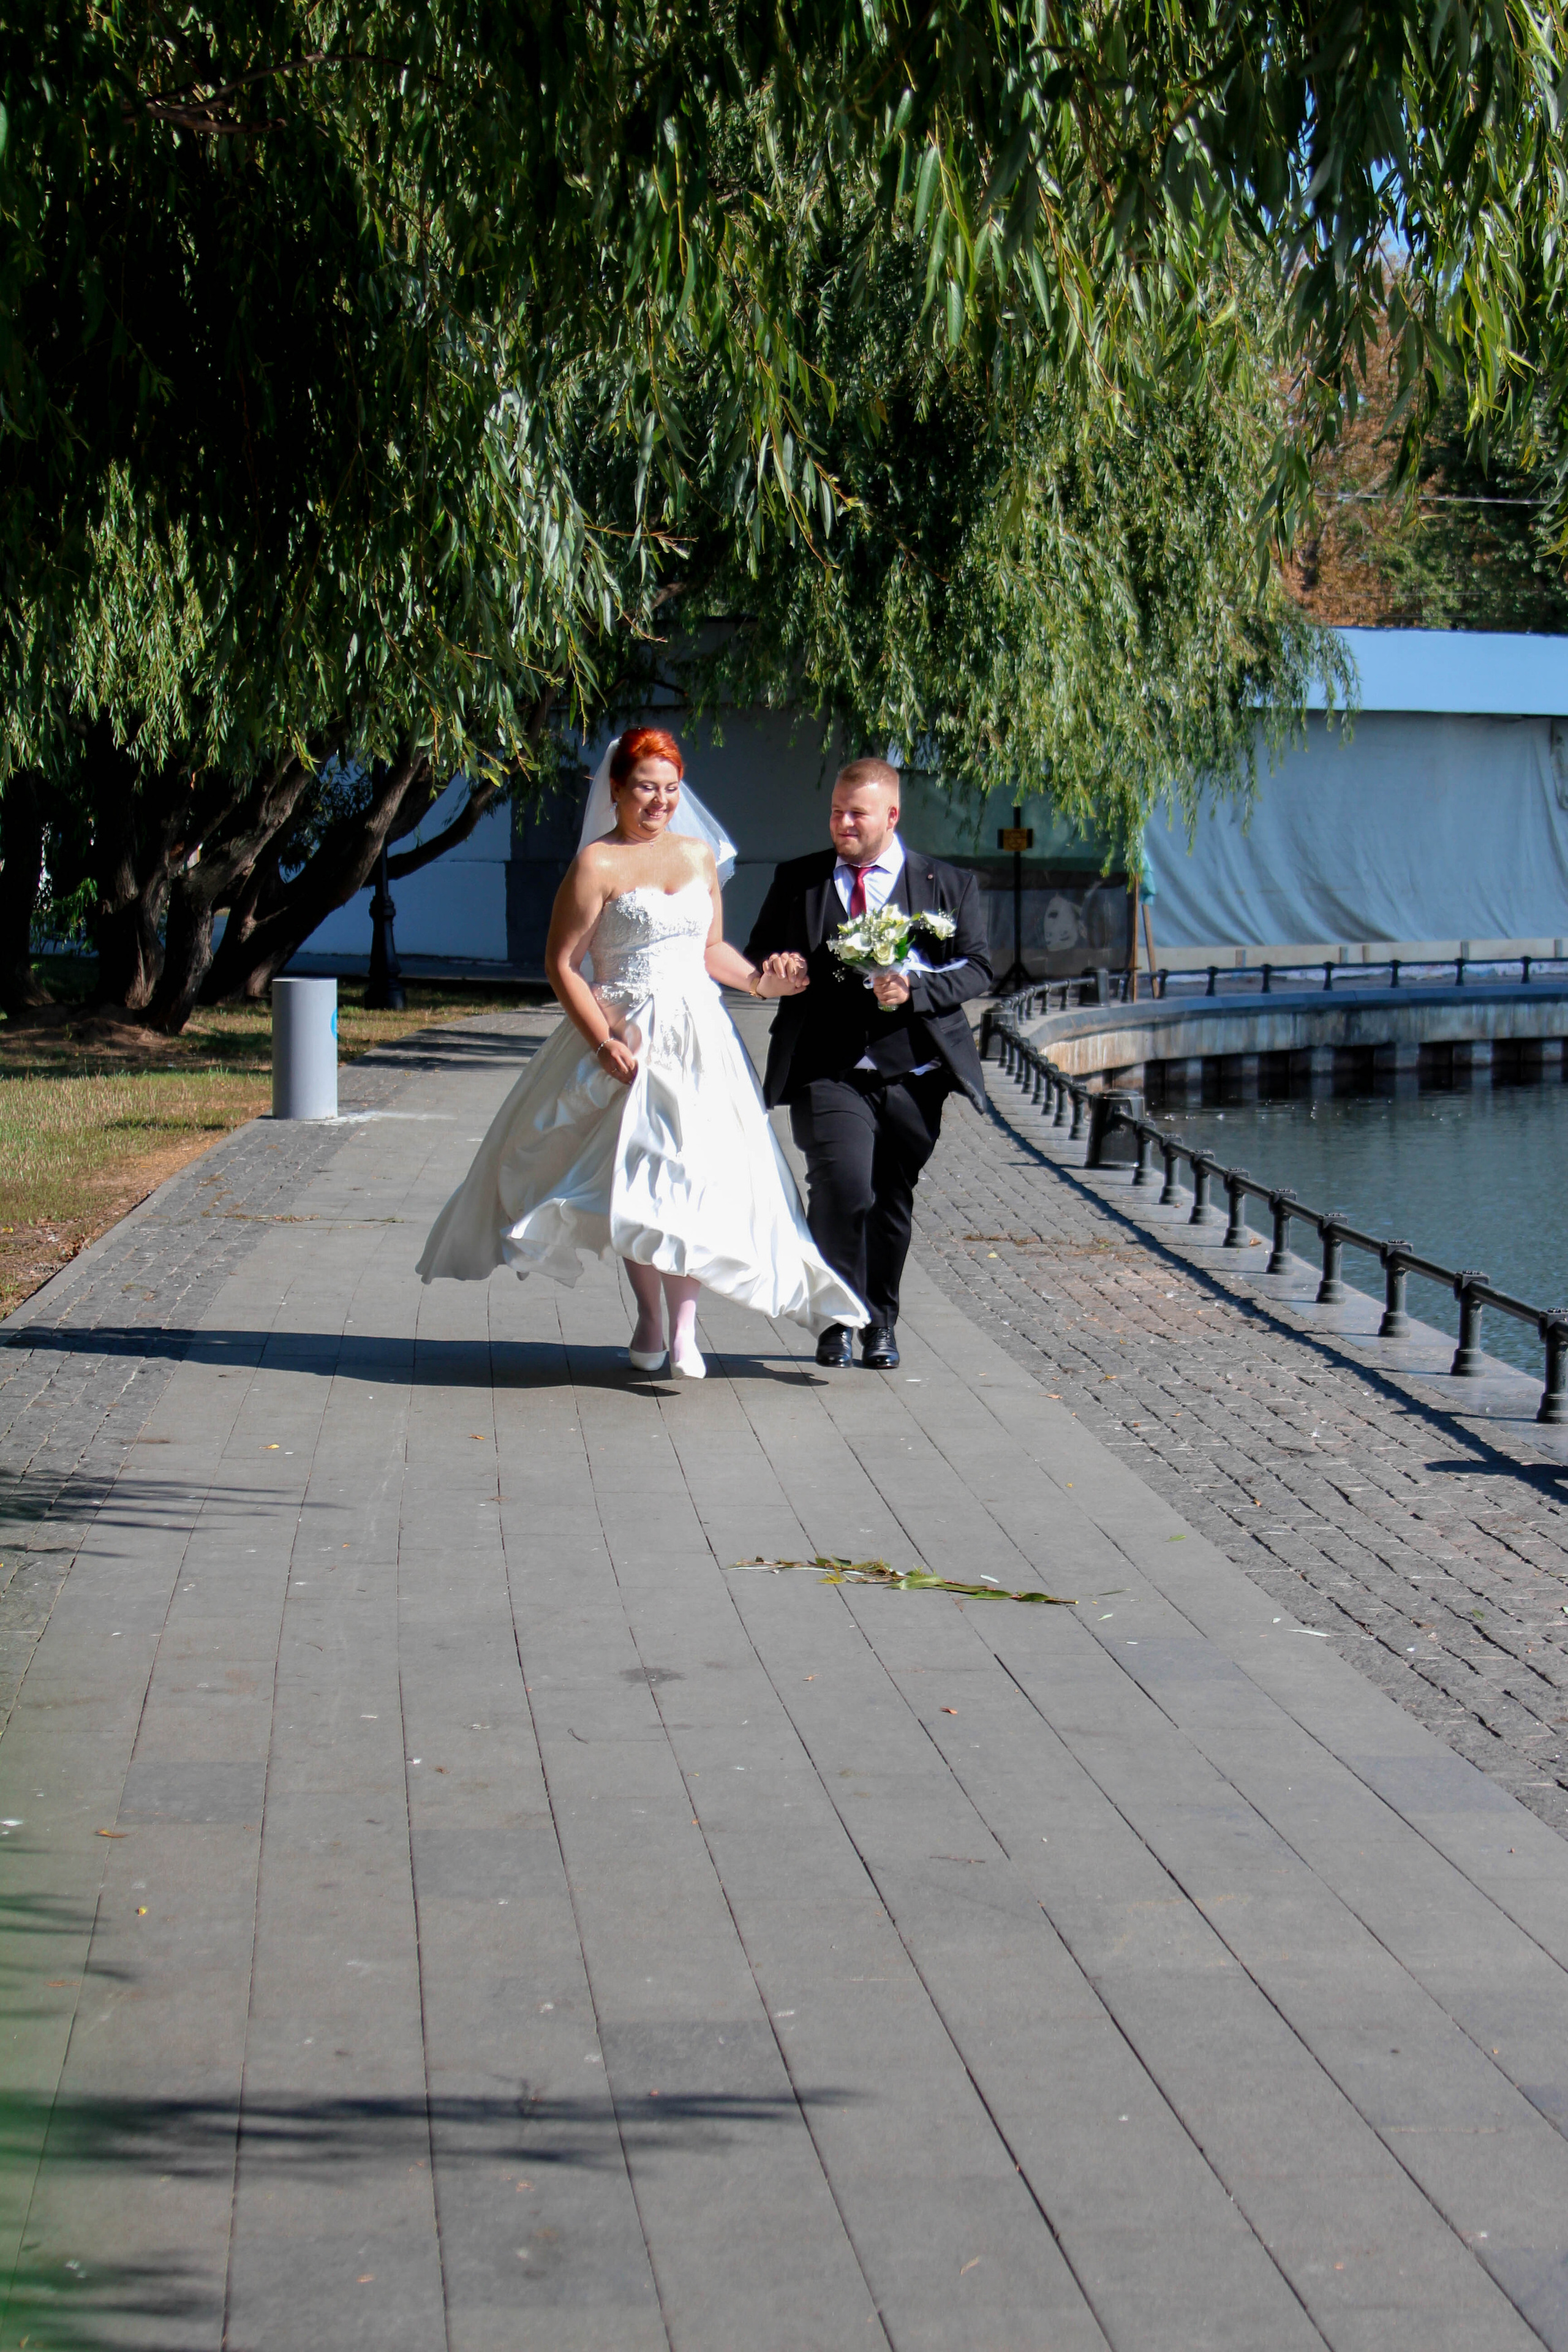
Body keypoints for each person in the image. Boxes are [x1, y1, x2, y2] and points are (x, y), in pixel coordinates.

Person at [416, 727, 867, 1377]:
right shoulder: (596, 864)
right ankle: (650, 1315)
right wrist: (600, 1040)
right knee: (640, 1183)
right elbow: (561, 962)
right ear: (618, 791)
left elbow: (711, 951)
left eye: (670, 789)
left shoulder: (697, 854)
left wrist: (763, 982)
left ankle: (683, 1330)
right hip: (627, 1036)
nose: (659, 802)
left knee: (691, 1180)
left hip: (699, 1040)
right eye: (646, 789)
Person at [744, 756, 992, 1371]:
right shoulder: (798, 880)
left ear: (891, 815)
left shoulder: (947, 886)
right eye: (835, 811)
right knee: (842, 1187)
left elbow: (979, 968)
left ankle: (880, 1320)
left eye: (856, 813)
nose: (842, 823)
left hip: (913, 1073)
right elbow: (758, 955)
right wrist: (777, 972)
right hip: (827, 1067)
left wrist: (915, 989)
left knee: (889, 1199)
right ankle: (836, 1318)